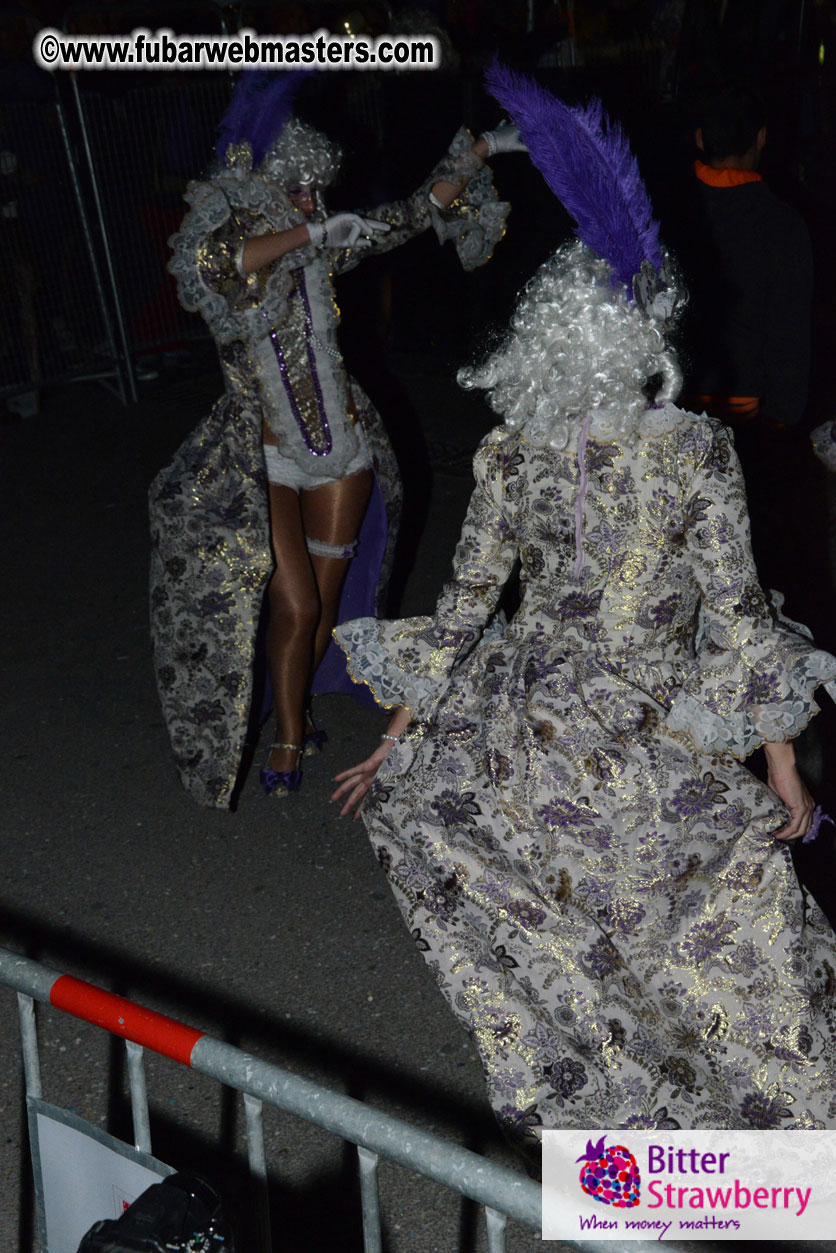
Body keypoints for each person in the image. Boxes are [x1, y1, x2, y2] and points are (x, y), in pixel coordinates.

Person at [331, 65, 836, 1143]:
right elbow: (739, 615)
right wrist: (781, 762)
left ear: (545, 340)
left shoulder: (511, 454)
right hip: (660, 729)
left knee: (573, 933)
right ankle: (736, 1164)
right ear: (649, 331)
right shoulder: (696, 451)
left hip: (540, 728)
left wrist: (396, 738)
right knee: (712, 936)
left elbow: (463, 608)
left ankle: (618, 1146)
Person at [150, 72, 521, 808]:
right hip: (261, 456)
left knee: (320, 605)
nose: (308, 203)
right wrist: (309, 232)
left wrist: (477, 152)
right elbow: (216, 264)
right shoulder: (238, 255)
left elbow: (412, 214)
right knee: (291, 603)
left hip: (341, 452)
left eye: (313, 193)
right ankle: (286, 733)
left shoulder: (322, 251)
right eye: (293, 191)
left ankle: (296, 713)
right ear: (264, 189)